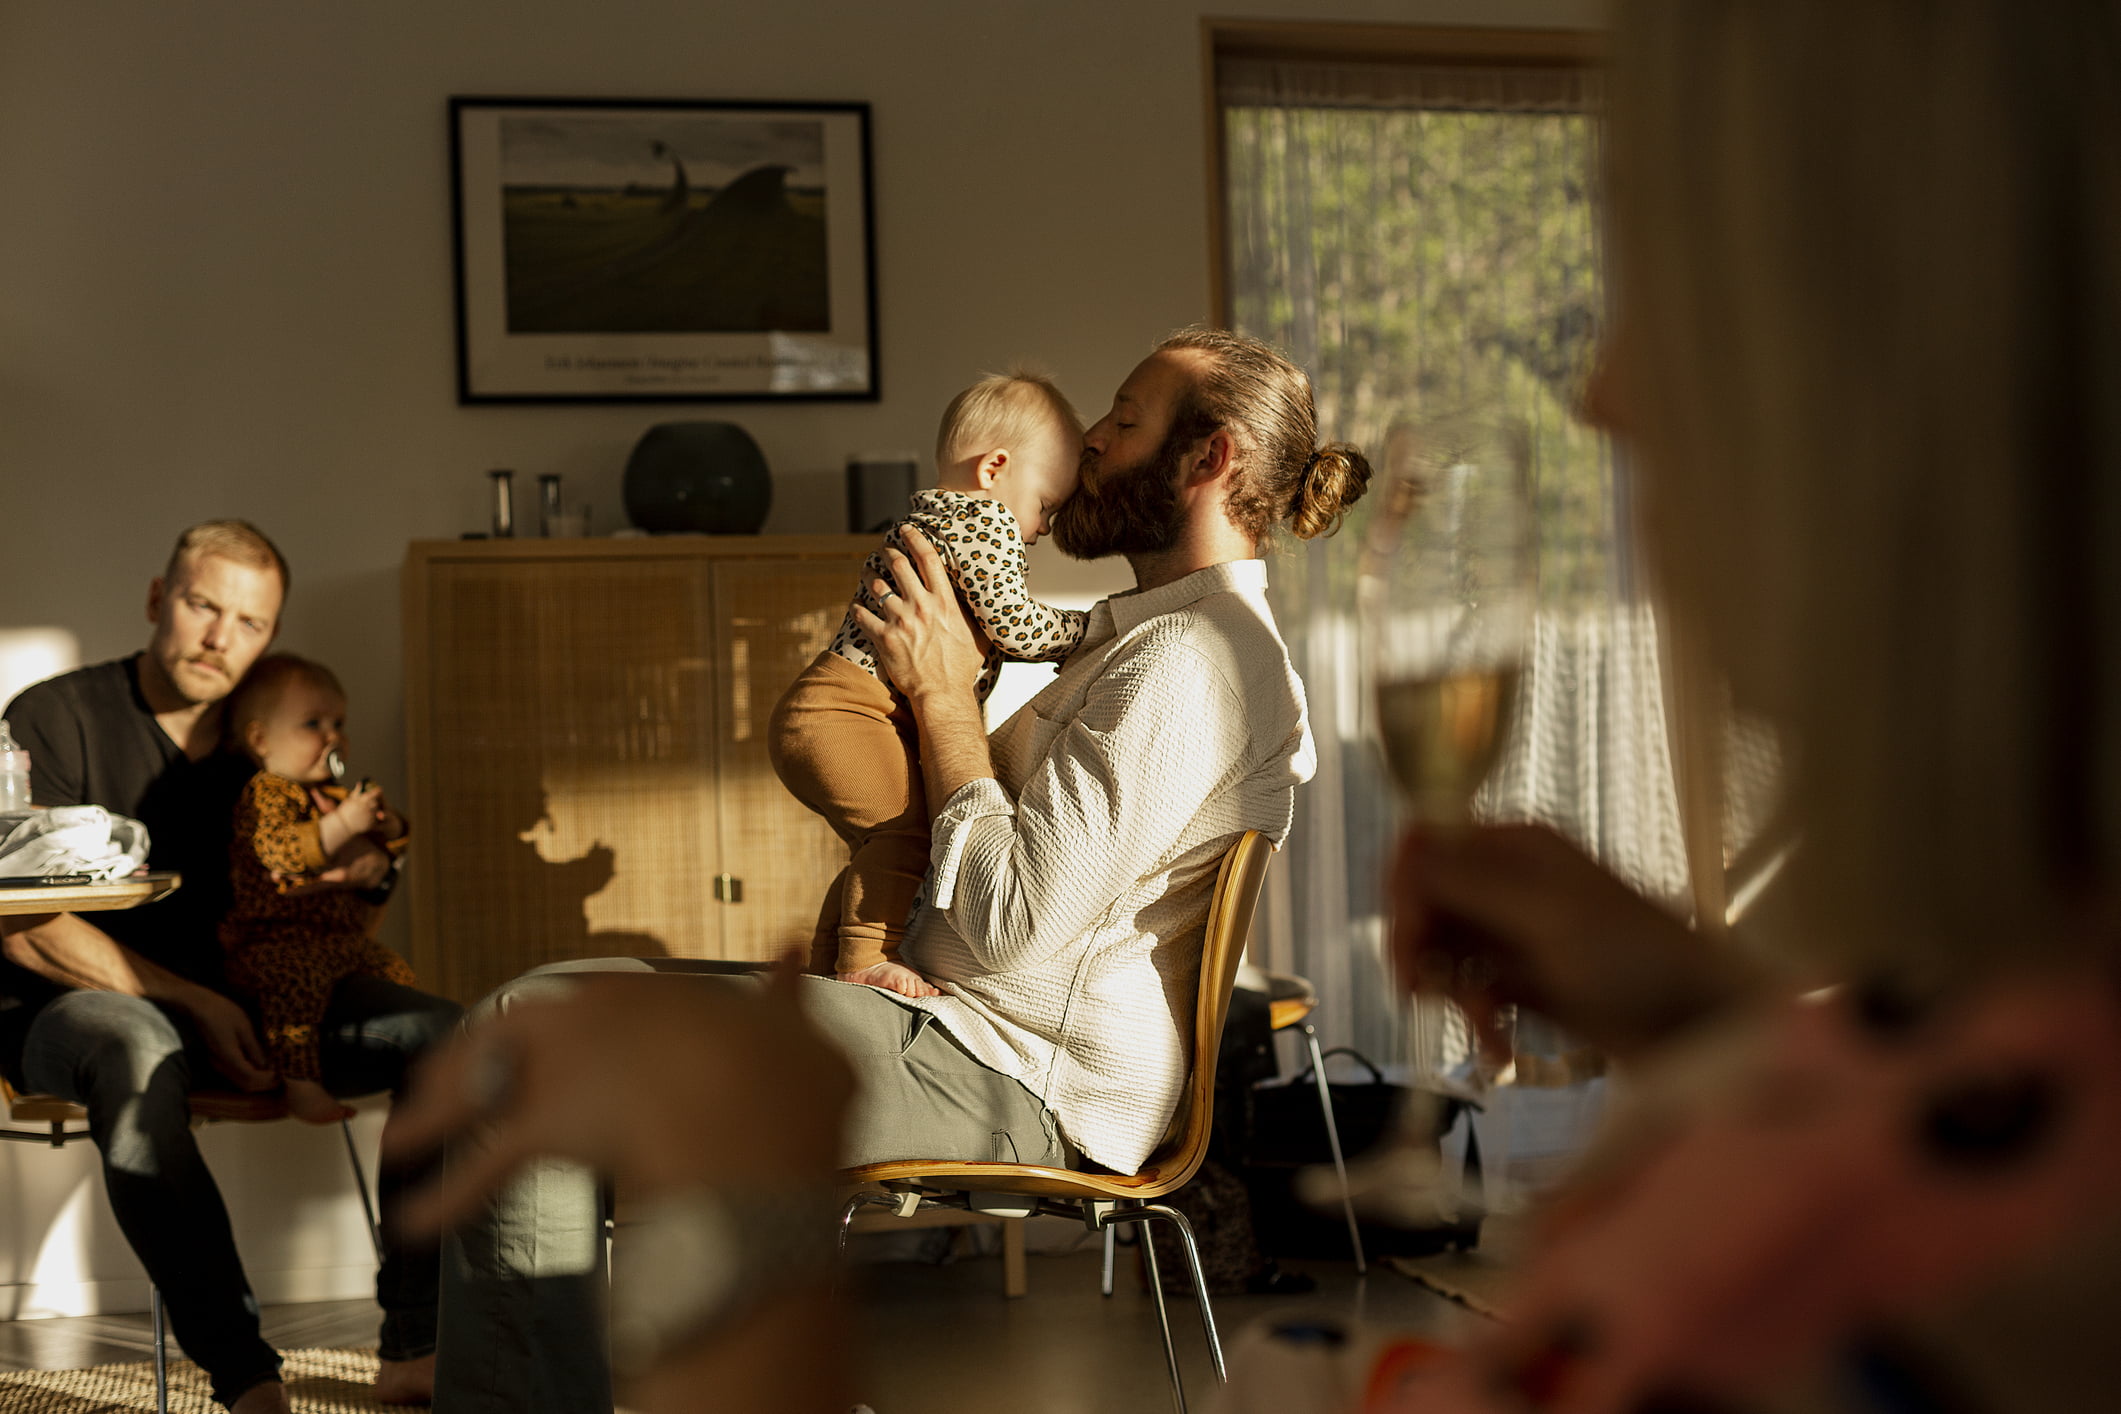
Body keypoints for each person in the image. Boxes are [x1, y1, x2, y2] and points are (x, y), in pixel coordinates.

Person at [424, 328, 1374, 1414]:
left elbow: (1012, 920)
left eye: (1123, 419)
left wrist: (936, 696)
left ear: (1207, 461)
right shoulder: (1145, 643)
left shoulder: (1193, 662)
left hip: (1011, 1072)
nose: (1095, 442)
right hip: (961, 1028)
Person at [0, 521, 460, 1413]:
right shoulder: (50, 720)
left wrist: (369, 869)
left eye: (249, 623)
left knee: (443, 1036)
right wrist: (195, 1002)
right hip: (68, 1001)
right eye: (202, 606)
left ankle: (415, 1343)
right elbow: (23, 928)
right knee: (133, 1046)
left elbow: (308, 877)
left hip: (255, 1003)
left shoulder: (271, 735)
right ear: (155, 601)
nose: (221, 639)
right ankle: (247, 1377)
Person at [769, 370, 1088, 996]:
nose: (1044, 527)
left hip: (829, 709)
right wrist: (1092, 628)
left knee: (880, 844)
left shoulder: (930, 517)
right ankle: (865, 960)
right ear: (995, 468)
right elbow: (1016, 626)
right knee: (908, 834)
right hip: (848, 712)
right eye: (1046, 504)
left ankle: (831, 963)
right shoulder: (983, 523)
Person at [220, 653, 415, 1125]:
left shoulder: (335, 795)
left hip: (340, 940)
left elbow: (396, 843)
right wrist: (344, 824)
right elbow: (280, 852)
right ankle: (300, 1084)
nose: (333, 737)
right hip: (276, 941)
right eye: (313, 724)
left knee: (395, 971)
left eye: (338, 723)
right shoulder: (267, 793)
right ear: (260, 740)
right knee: (296, 989)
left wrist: (387, 828)